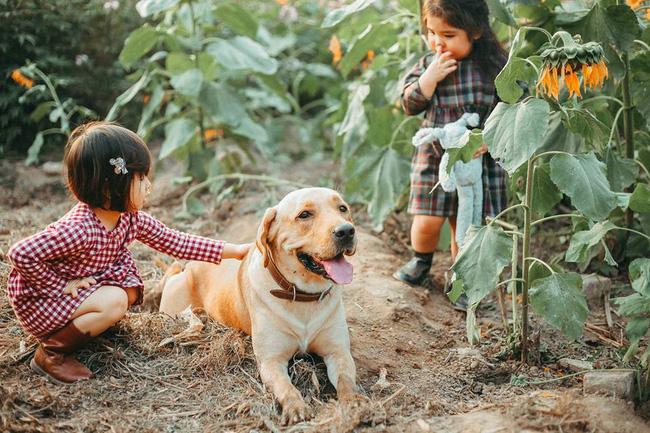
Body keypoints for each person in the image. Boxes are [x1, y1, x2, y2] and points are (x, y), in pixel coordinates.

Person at [7, 121, 250, 384]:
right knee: (114, 301)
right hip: (44, 300)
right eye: (141, 177)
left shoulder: (130, 219)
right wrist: (62, 285)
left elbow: (176, 241)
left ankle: (88, 324)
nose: (148, 185)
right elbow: (20, 254)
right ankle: (52, 354)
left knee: (129, 292)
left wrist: (234, 251)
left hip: (85, 280)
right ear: (111, 186)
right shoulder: (79, 229)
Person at [393, 0, 508, 311]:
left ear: (476, 32)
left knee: (466, 226)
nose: (437, 41)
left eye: (448, 34)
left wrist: (491, 136)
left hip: (477, 163)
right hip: (435, 158)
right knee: (427, 220)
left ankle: (463, 281)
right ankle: (421, 261)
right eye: (432, 32)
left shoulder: (496, 67)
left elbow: (511, 108)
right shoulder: (429, 63)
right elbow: (408, 103)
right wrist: (429, 78)